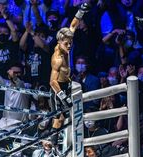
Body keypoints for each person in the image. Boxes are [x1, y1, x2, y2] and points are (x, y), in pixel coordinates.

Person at [49, 2, 90, 147]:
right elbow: (52, 82)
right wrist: (62, 96)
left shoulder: (66, 40)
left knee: (69, 115)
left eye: (70, 42)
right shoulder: (57, 59)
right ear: (59, 42)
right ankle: (51, 144)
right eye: (66, 43)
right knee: (59, 117)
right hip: (58, 88)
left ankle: (69, 143)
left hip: (67, 83)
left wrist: (81, 11)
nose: (69, 46)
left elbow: (73, 25)